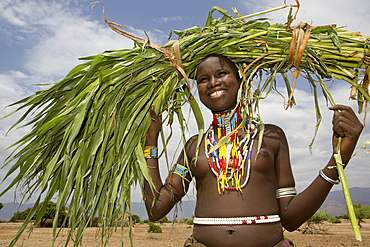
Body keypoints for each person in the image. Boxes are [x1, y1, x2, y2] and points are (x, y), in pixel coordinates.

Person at [143, 54, 363, 247]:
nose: (212, 82)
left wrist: (339, 160)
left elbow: (291, 219)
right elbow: (156, 210)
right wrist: (150, 139)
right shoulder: (194, 146)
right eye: (203, 79)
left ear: (241, 81)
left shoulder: (271, 137)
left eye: (221, 73)